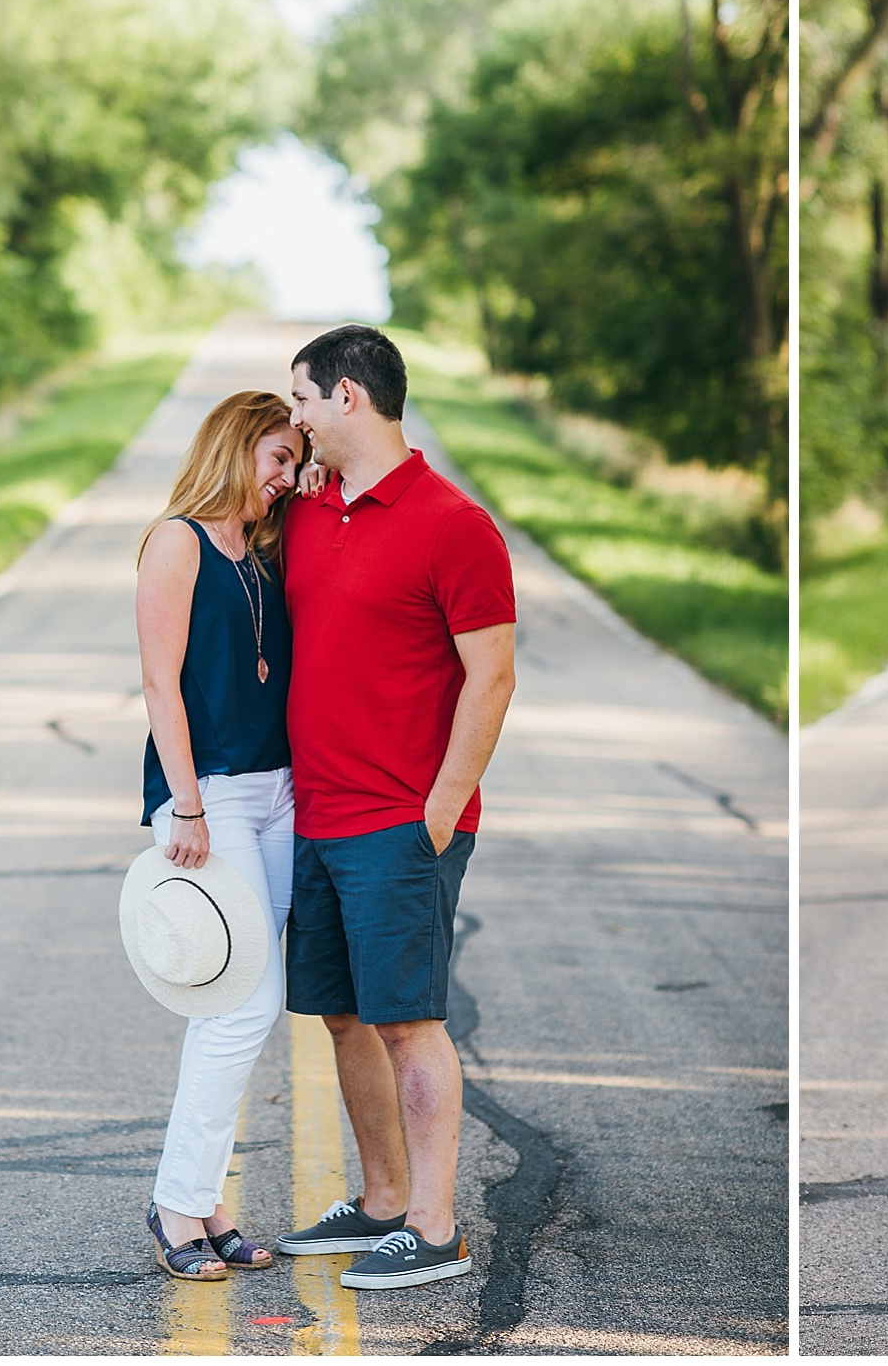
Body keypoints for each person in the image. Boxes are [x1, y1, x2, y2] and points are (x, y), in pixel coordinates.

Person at [270, 324, 518, 1291]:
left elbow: (490, 677)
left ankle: (435, 1226)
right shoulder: (309, 513)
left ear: (347, 397)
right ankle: (379, 1201)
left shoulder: (454, 523)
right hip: (318, 814)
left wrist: (442, 808)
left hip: (400, 821)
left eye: (301, 398)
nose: (295, 417)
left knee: (410, 1021)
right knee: (341, 1015)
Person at [135, 390, 305, 1280]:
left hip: (278, 792)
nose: (285, 478)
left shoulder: (265, 550)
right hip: (214, 797)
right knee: (245, 1002)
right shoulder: (178, 541)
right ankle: (175, 1203)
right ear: (237, 447)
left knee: (236, 1005)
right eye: (276, 458)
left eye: (294, 463)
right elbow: (161, 684)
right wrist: (189, 805)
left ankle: (208, 1202)